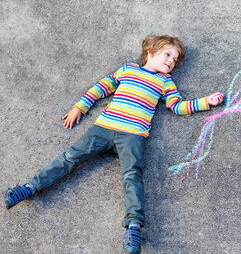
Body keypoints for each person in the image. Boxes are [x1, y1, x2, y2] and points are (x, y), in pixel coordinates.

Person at [4, 35, 224, 253]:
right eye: (167, 54)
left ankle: (134, 227)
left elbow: (177, 106)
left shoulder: (165, 82)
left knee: (133, 175)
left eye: (174, 60)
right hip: (103, 128)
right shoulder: (128, 69)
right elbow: (102, 87)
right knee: (70, 157)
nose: (170, 61)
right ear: (150, 51)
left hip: (133, 135)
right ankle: (30, 188)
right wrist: (79, 107)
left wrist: (206, 102)